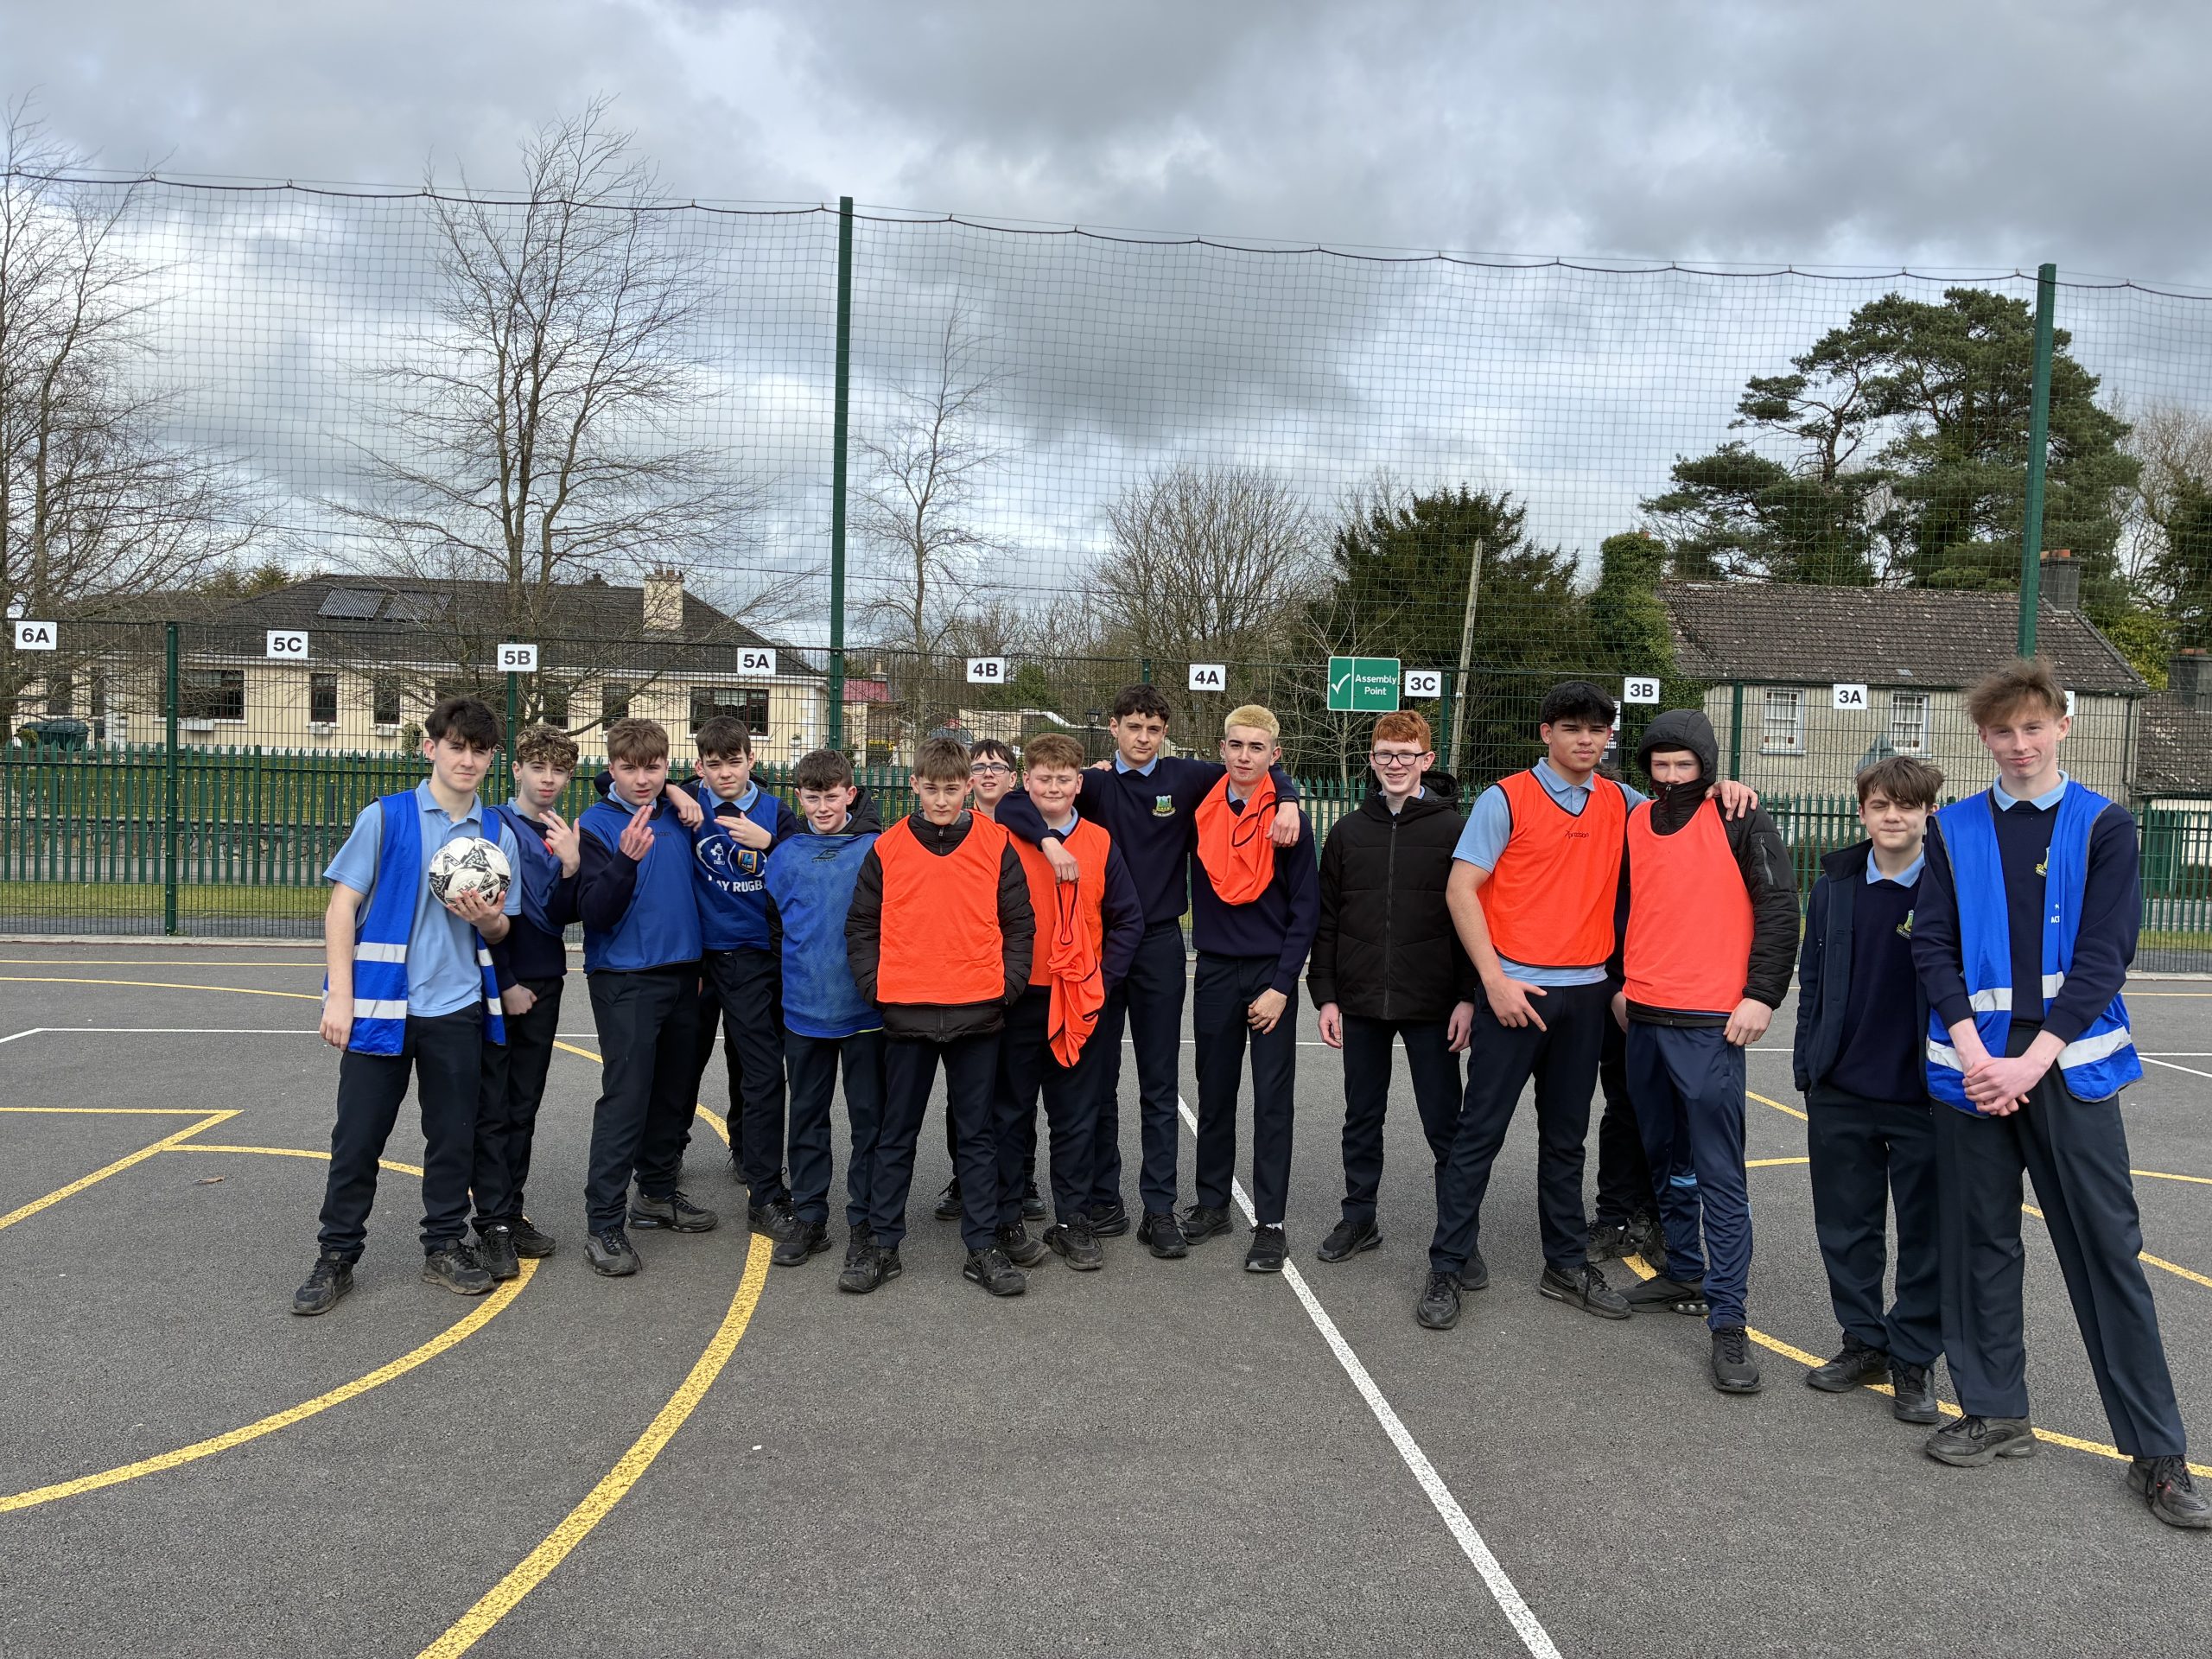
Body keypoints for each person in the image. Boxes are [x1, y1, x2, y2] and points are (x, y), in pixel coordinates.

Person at [1911, 658, 2205, 1527]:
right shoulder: (1952, 827)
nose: (2018, 744)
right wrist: (1974, 1057)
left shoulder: (2103, 826)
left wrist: (2026, 1064)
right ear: (1983, 738)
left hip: (2063, 1071)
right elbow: (1930, 947)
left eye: (2032, 728)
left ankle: (2156, 1454)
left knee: (2107, 1254)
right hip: (1972, 1073)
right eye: (2001, 731)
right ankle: (1995, 1410)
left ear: (2061, 728)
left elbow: (2102, 959)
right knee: (1980, 1246)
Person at [1420, 681, 1758, 1332]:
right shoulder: (1505, 799)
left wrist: (1722, 786)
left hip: (1588, 993)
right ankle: (1448, 1262)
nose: (1585, 739)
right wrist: (1492, 981)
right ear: (1546, 732)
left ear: (1609, 738)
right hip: (1516, 993)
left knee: (1566, 1140)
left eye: (1597, 730)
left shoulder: (1624, 805)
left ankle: (1565, 1264)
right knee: (1477, 1136)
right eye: (1572, 727)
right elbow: (1462, 891)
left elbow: (1680, 805)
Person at [996, 683, 1302, 1259]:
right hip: (1096, 946)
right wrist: (1046, 838)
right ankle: (1100, 1199)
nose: (1143, 738)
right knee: (1094, 1079)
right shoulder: (1094, 784)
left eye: (1153, 729)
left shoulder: (1186, 779)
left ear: (1165, 733)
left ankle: (1158, 1209)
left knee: (1160, 1085)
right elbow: (1018, 803)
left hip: (1160, 943)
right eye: (1133, 727)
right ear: (1113, 728)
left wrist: (1285, 797)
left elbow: (1253, 770)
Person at [294, 696, 521, 1316]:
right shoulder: (387, 818)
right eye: (456, 747)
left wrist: (490, 920)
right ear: (431, 748)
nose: (467, 759)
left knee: (452, 1138)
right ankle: (336, 1255)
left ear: (492, 757)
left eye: (480, 750)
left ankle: (444, 1245)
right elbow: (342, 907)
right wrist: (339, 997)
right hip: (380, 1008)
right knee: (358, 1139)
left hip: (458, 1008)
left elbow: (505, 932)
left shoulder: (498, 834)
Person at [1611, 708, 1796, 1392]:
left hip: (1713, 1019)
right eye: (1659, 766)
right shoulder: (1636, 820)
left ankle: (1729, 1322)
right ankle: (1684, 1268)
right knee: (1664, 1155)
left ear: (1707, 766)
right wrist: (1622, 983)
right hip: (1646, 1014)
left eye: (1684, 766)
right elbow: (1634, 906)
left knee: (1719, 1171)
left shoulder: (1740, 816)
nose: (1670, 777)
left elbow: (1780, 908)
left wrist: (1762, 995)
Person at [842, 735, 1036, 1296]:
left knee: (977, 1137)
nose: (943, 799)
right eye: (932, 789)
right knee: (895, 1134)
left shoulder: (996, 844)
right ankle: (882, 1245)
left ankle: (982, 1248)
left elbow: (1018, 925)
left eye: (953, 789)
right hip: (907, 1014)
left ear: (970, 786)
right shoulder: (888, 847)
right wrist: (878, 987)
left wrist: (1007, 984)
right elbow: (862, 928)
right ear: (914, 786)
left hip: (979, 1012)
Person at [1794, 755, 1945, 1424]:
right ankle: (1864, 1342)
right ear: (1862, 811)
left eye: (1907, 806)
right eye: (1881, 805)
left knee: (1926, 1233)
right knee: (1846, 1227)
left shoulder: (1950, 887)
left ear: (1927, 813)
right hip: (1842, 1089)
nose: (1894, 816)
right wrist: (1810, 1066)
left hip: (1924, 1095)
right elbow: (1814, 984)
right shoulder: (1834, 887)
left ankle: (1912, 1355)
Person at [1309, 710, 1473, 1264]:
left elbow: (1478, 918)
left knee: (1444, 1124)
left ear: (1427, 760)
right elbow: (1327, 919)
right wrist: (1326, 994)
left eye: (1406, 755)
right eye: (1385, 754)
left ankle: (1457, 1238)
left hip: (1432, 1003)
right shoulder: (1348, 833)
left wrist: (1469, 998)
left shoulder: (1456, 830)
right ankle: (1359, 1218)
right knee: (1361, 1117)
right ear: (1372, 761)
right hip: (1359, 1000)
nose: (1395, 764)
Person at [994, 733, 1145, 1271]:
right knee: (1010, 1113)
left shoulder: (1101, 842)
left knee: (1076, 1116)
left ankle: (1072, 1219)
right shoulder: (1004, 836)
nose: (1053, 787)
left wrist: (1101, 980)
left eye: (1064, 779)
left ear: (1079, 784)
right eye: (1043, 778)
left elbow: (1129, 919)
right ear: (1026, 782)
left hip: (1079, 1002)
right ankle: (1007, 1216)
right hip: (1019, 1000)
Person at [576, 716, 717, 1277]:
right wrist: (625, 861)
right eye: (630, 768)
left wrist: (678, 789)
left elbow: (700, 780)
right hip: (625, 978)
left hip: (685, 974)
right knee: (627, 1099)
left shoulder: (680, 812)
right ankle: (604, 1223)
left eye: (653, 768)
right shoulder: (597, 824)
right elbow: (593, 913)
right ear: (611, 769)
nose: (642, 778)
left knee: (674, 1095)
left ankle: (656, 1195)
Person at [1183, 704, 1319, 1274]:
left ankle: (1271, 1223)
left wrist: (1284, 985)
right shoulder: (1199, 806)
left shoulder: (1290, 822)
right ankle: (1213, 1203)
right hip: (1212, 968)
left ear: (1274, 755)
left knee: (1272, 1102)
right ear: (1221, 748)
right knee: (1213, 1095)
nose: (1244, 756)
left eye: (1256, 748)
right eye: (1235, 745)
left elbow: (1306, 909)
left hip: (1269, 975)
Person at [762, 749, 886, 1270]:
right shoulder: (785, 856)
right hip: (804, 1015)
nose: (822, 806)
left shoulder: (878, 850)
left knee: (869, 1122)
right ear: (799, 797)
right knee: (807, 1119)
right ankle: (811, 1215)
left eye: (832, 796)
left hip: (866, 1015)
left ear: (850, 794)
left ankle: (866, 1221)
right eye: (812, 797)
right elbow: (773, 928)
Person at [473, 722, 582, 1280]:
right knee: (493, 1104)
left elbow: (563, 914)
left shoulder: (565, 830)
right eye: (537, 767)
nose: (547, 778)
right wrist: (507, 979)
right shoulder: (493, 825)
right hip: (500, 980)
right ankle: (488, 1220)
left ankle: (510, 1212)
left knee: (524, 1103)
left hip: (547, 978)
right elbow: (487, 916)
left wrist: (569, 866)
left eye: (558, 770)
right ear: (516, 768)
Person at [685, 715, 801, 1239]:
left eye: (735, 761)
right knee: (681, 1063)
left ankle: (763, 1185)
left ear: (753, 761)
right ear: (700, 767)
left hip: (759, 955)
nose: (725, 772)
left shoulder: (777, 813)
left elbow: (805, 865)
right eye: (714, 764)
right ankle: (659, 1176)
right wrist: (672, 788)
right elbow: (608, 780)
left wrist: (771, 842)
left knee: (758, 1065)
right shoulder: (684, 806)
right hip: (700, 955)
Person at [931, 738, 1044, 1224]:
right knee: (967, 1092)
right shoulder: (950, 829)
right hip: (964, 980)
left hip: (1015, 978)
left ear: (1014, 778)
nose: (989, 773)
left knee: (1018, 1089)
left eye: (999, 766)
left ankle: (1022, 1179)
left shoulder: (1032, 828)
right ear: (967, 779)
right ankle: (965, 1179)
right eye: (979, 767)